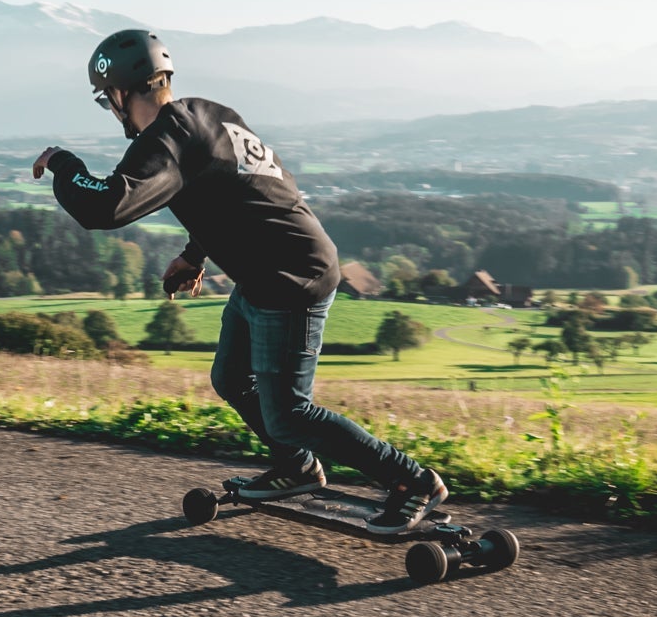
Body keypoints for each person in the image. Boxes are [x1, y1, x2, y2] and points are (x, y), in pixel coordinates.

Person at [33, 28, 447, 533]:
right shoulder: (208, 115)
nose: (110, 109)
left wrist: (63, 164)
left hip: (291, 278)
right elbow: (238, 193)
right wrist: (193, 254)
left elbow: (107, 205)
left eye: (106, 101)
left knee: (290, 414)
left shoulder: (166, 139)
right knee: (231, 379)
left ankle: (411, 481)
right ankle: (296, 467)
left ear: (121, 93)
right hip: (265, 274)